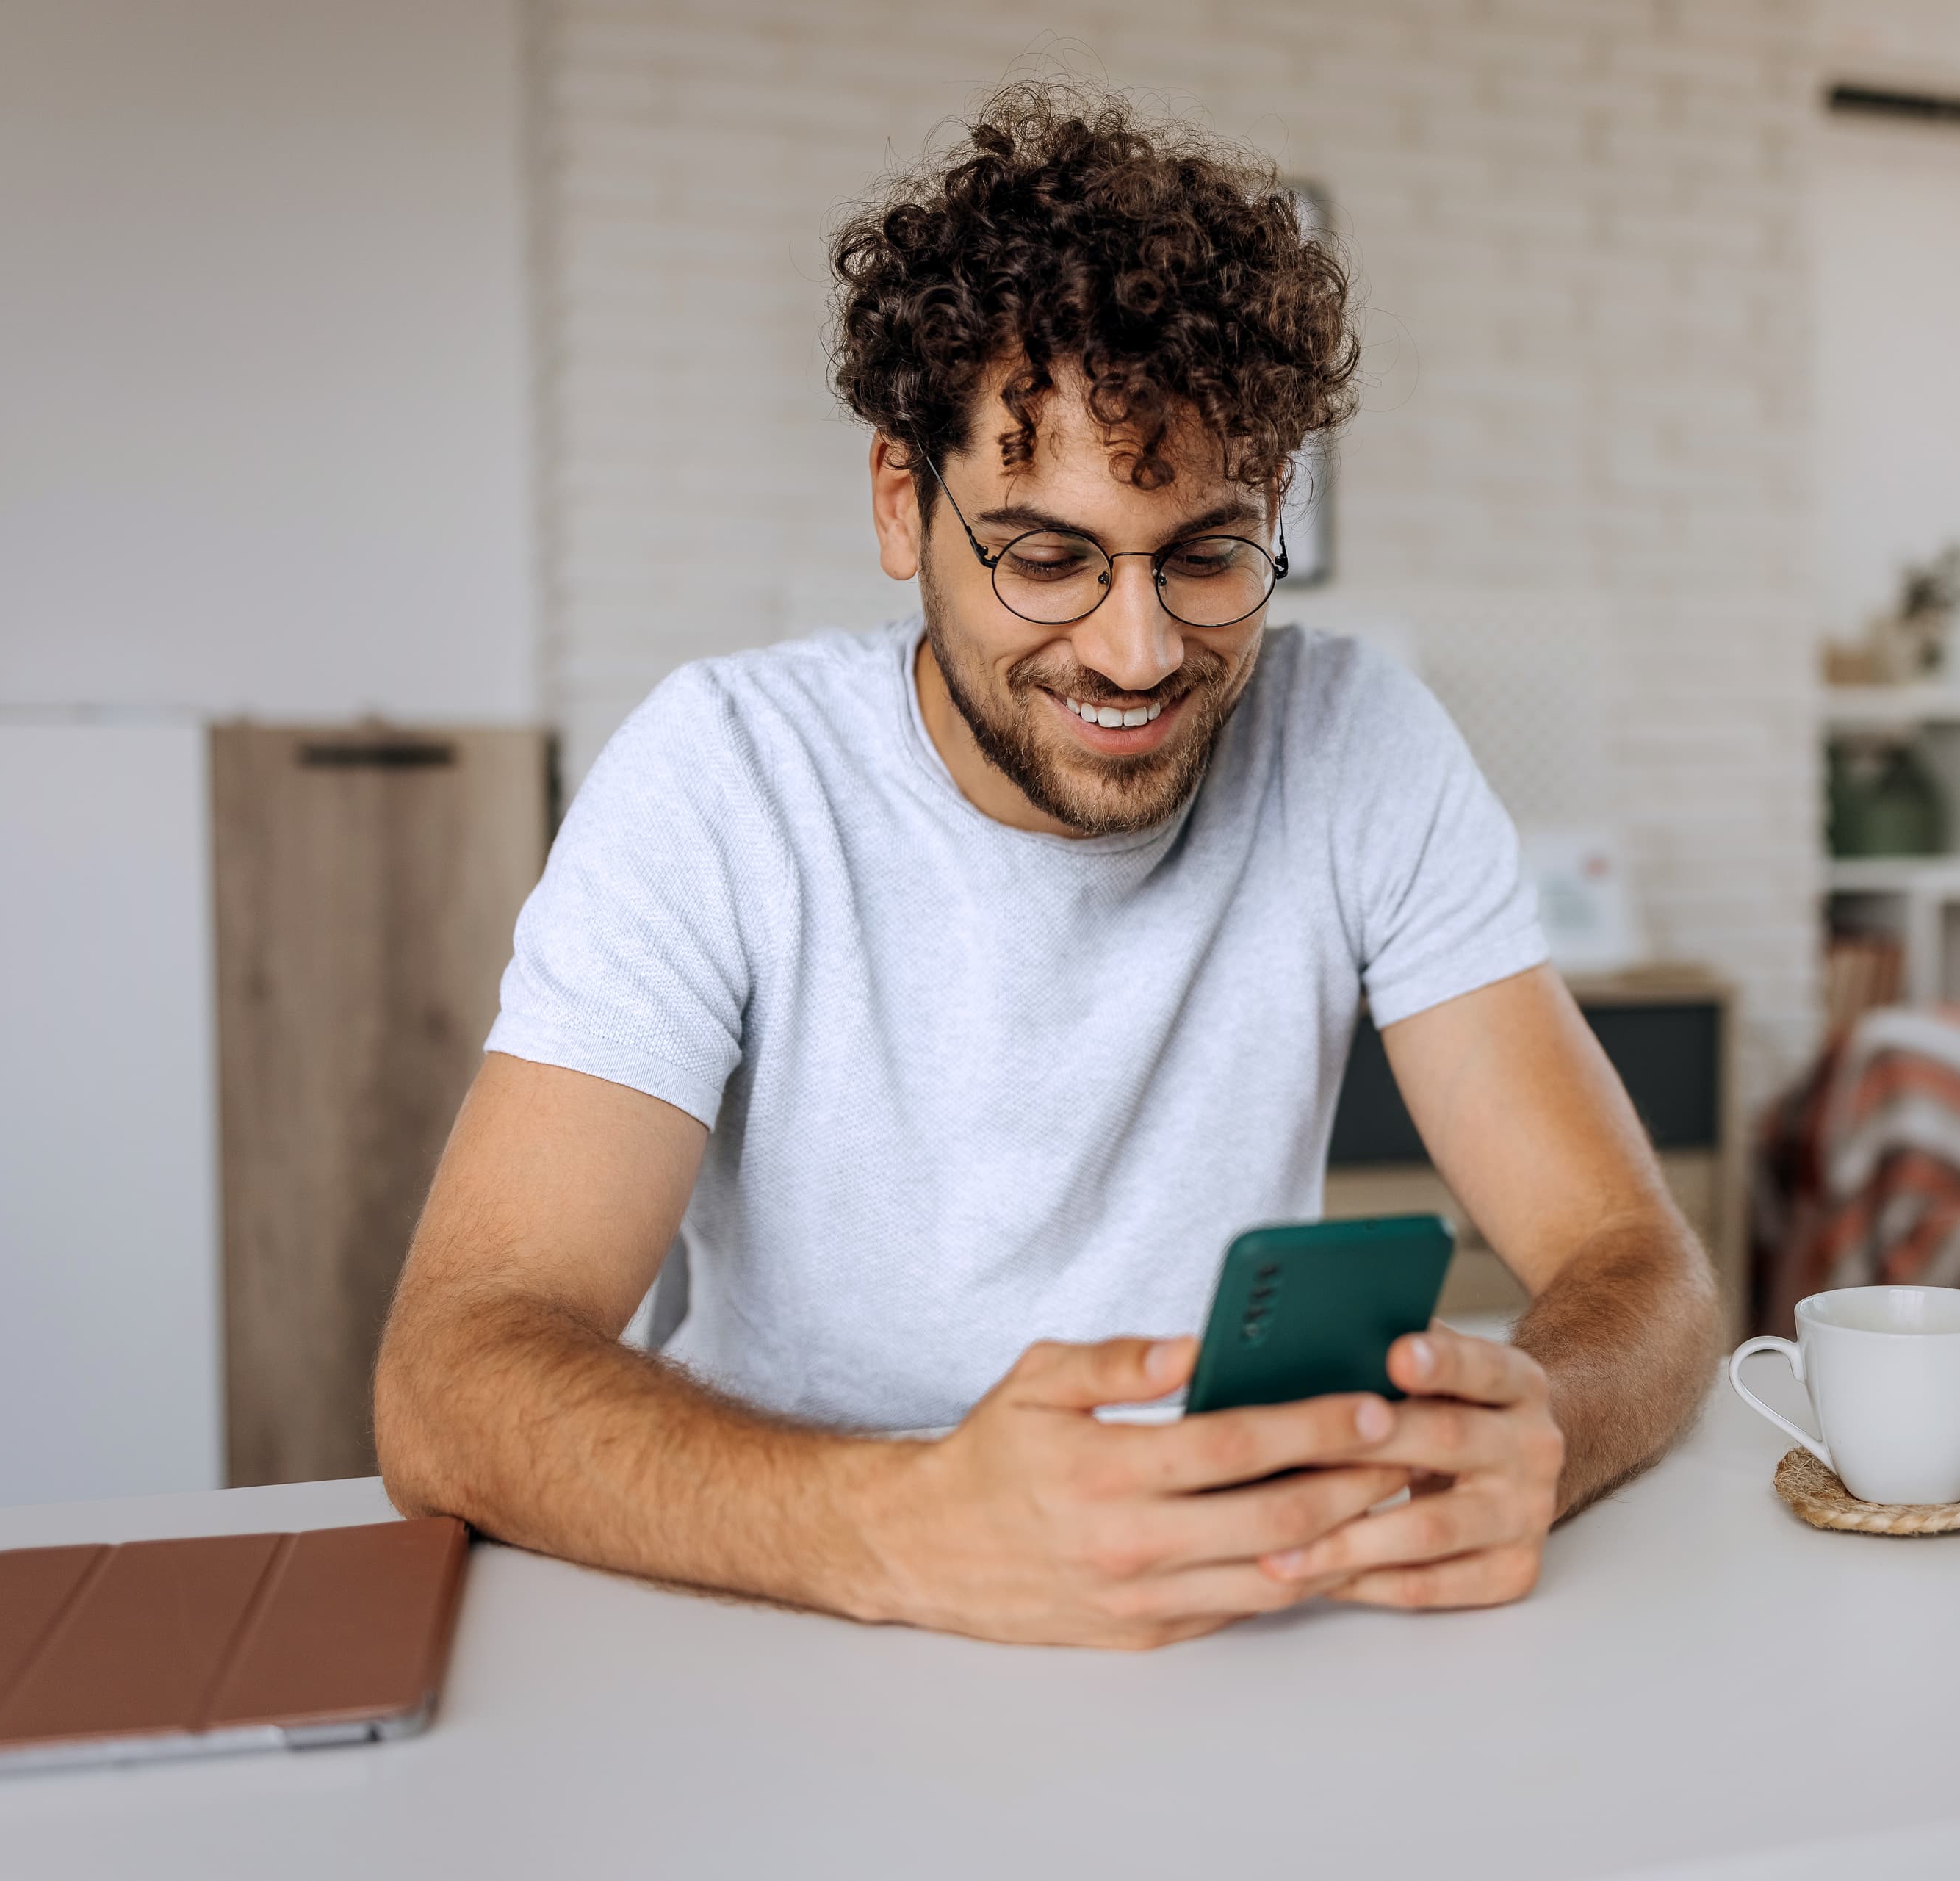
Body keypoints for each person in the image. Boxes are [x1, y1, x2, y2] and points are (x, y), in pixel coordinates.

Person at [374, 85, 1719, 1650]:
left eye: (1207, 555)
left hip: (1231, 1624)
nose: (1137, 653)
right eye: (1047, 555)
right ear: (903, 503)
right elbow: (450, 1377)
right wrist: (907, 1529)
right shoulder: (724, 774)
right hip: (784, 1608)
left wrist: (1542, 1426)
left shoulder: (1362, 741)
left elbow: (1645, 1266)